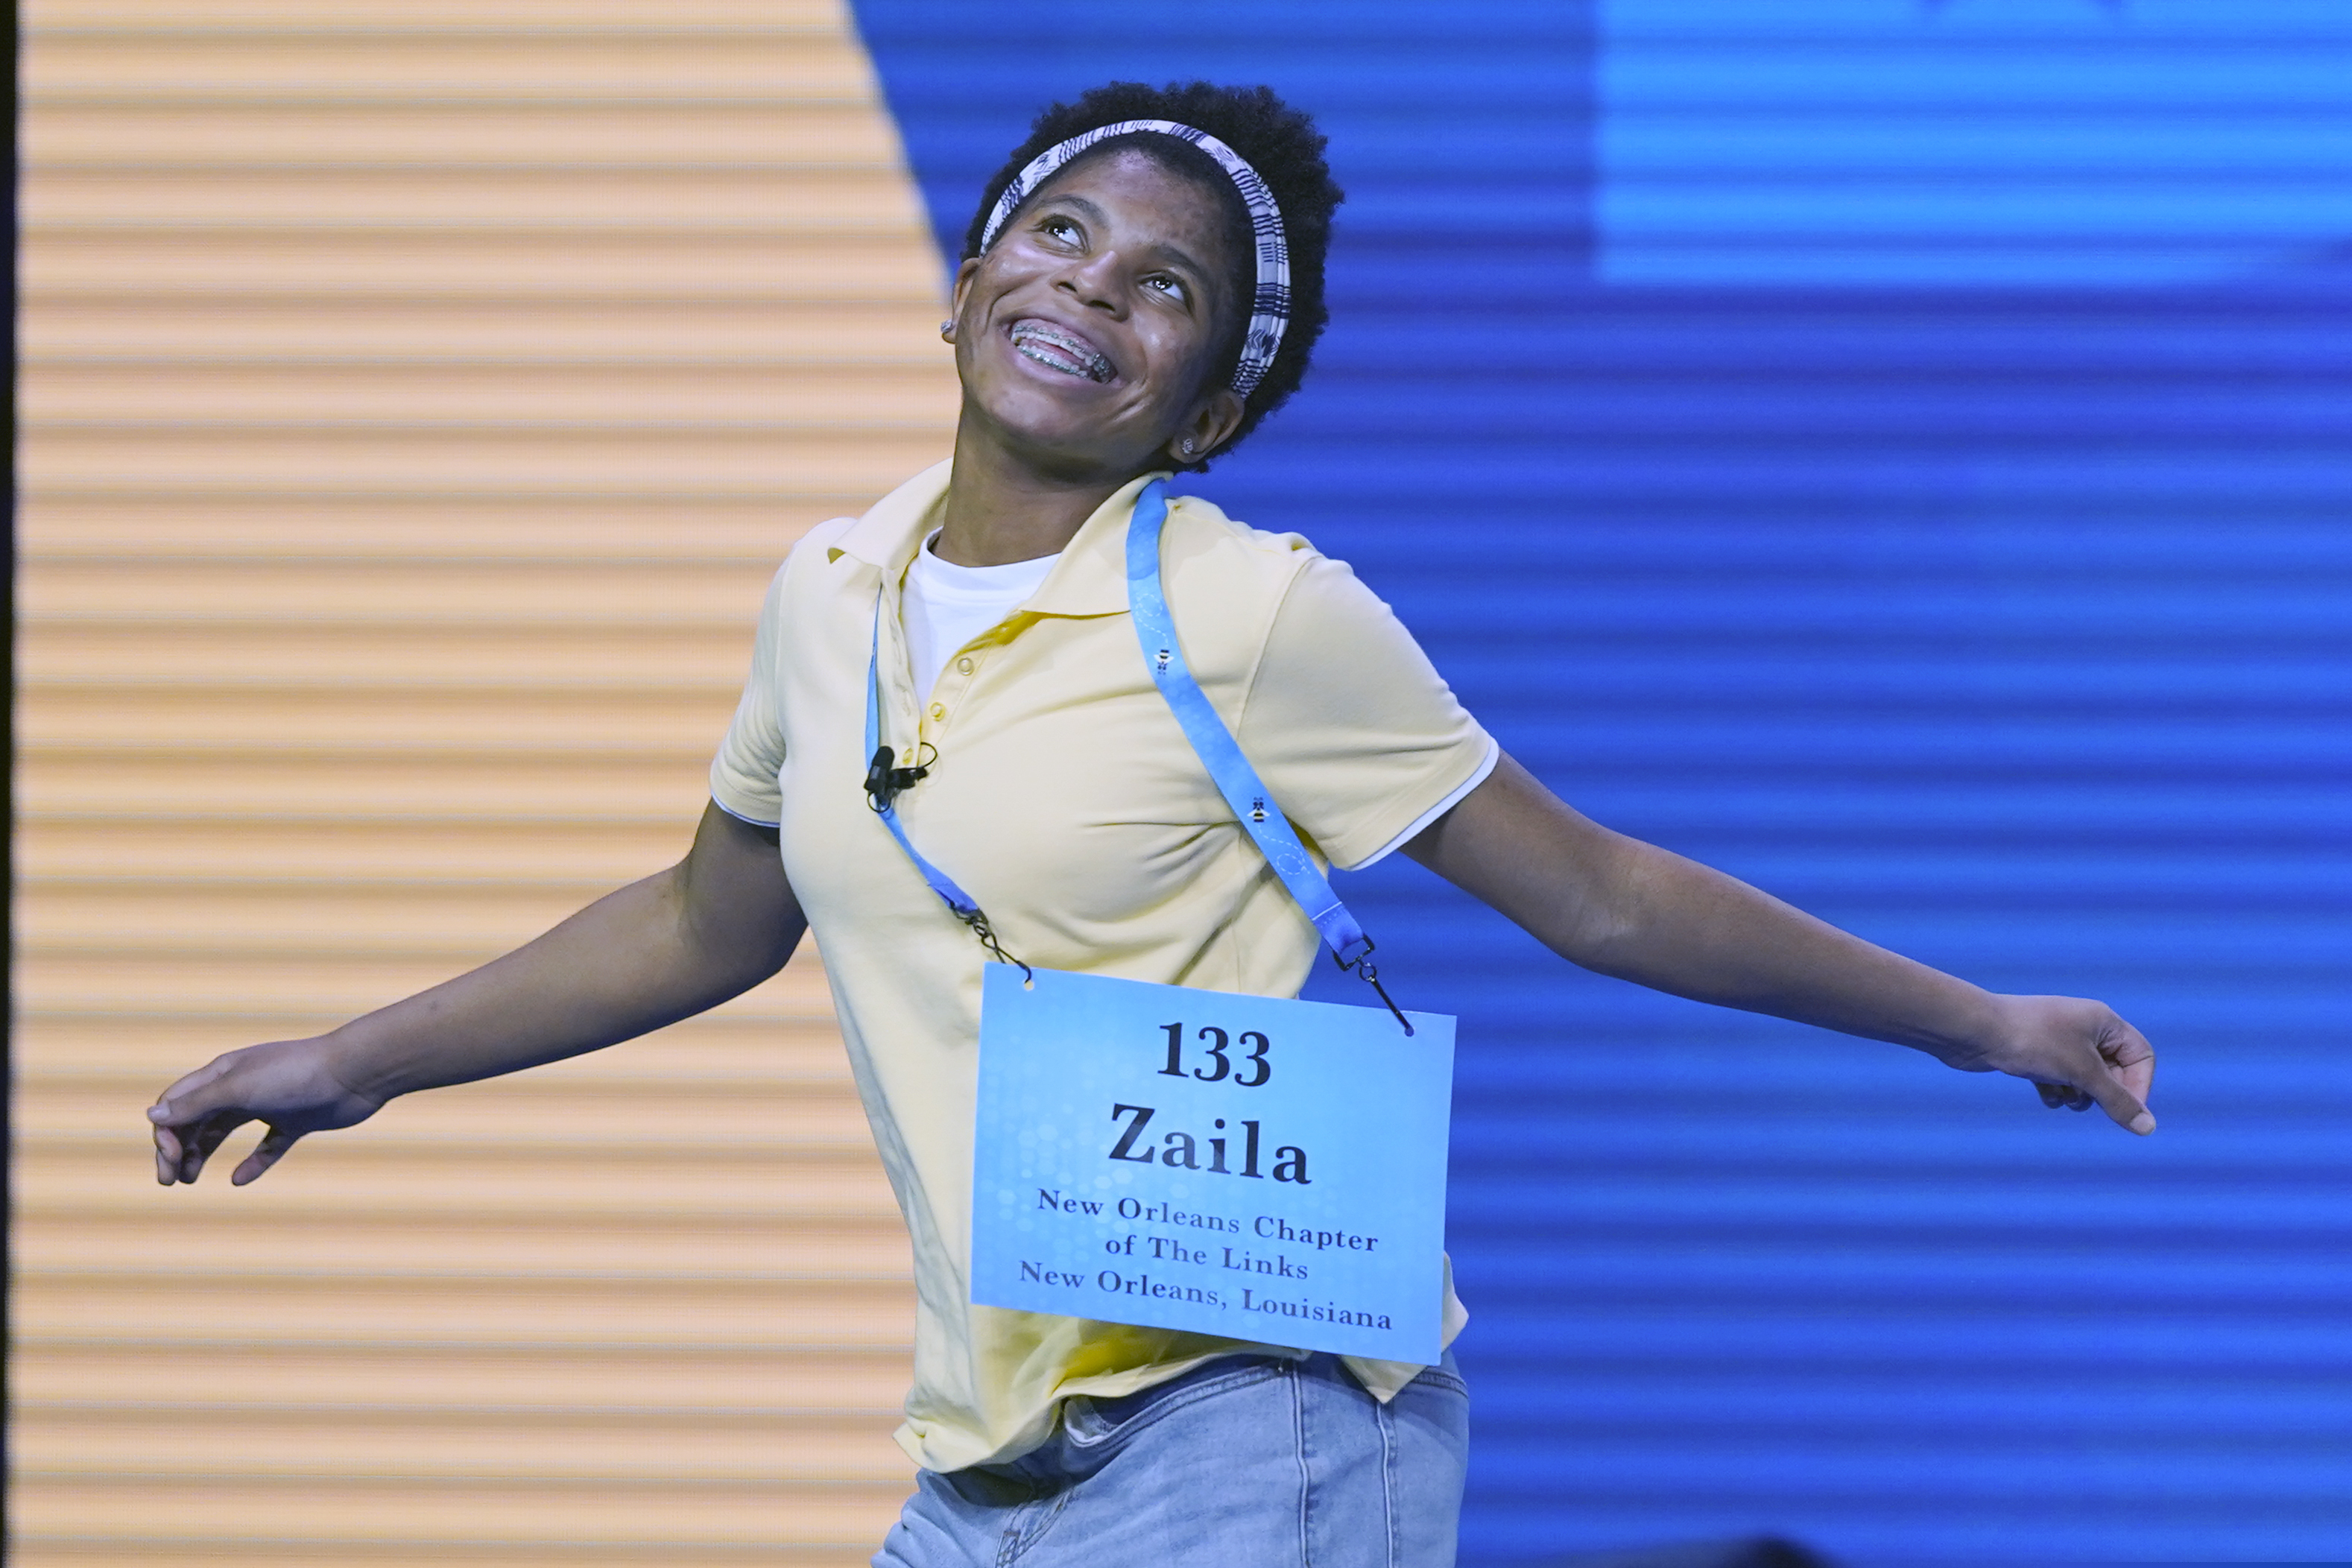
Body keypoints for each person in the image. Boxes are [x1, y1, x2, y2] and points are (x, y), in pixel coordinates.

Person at [147, 80, 2157, 1567]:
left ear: (1205, 403)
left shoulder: (1250, 608)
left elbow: (1603, 900)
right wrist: (354, 1059)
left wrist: (1978, 1023)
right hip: (981, 1459)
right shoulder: (825, 591)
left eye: (1166, 290)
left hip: (1257, 1427)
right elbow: (705, 920)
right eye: (1061, 239)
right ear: (965, 285)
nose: (1092, 292)